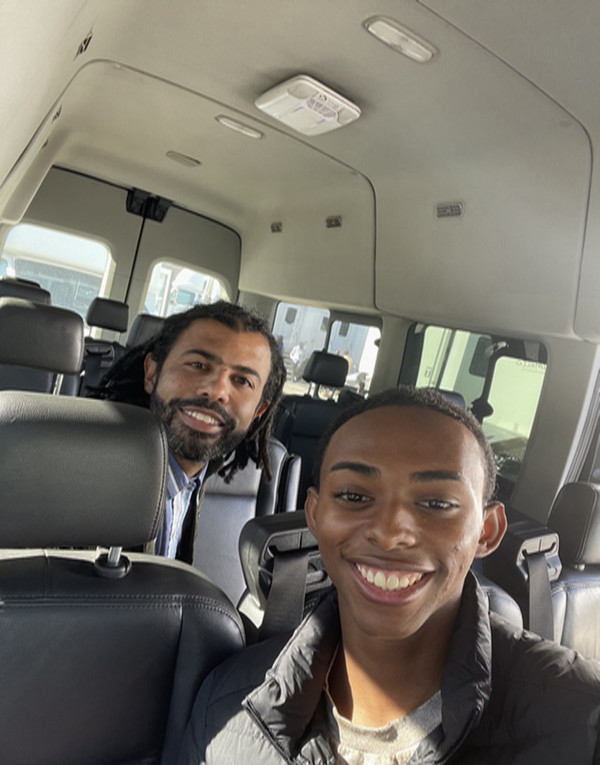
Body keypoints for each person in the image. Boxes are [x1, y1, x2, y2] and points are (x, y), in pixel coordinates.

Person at [178, 387, 600, 764]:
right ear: (315, 514)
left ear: (486, 532)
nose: (390, 532)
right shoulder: (228, 700)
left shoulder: (581, 720)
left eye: (436, 503)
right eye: (353, 496)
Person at [91, 300, 286, 563]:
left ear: (258, 411)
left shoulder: (200, 474)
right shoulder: (87, 469)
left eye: (242, 381)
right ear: (152, 373)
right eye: (198, 365)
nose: (216, 391)